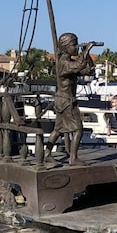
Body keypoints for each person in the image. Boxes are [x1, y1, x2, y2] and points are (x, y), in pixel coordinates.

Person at [43, 32, 96, 166]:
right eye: (74, 45)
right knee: (78, 129)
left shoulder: (70, 62)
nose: (77, 47)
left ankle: (47, 154)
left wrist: (86, 54)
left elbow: (89, 71)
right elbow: (78, 66)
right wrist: (85, 52)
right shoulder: (63, 63)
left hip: (64, 100)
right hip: (66, 101)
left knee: (58, 129)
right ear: (66, 47)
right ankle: (73, 158)